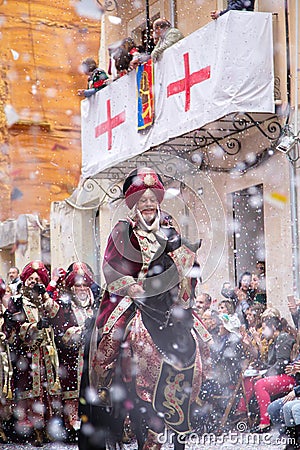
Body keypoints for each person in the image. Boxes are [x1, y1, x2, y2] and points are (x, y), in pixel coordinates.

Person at [4, 261, 62, 446]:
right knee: (30, 392)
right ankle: (32, 429)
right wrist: (35, 327)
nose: (33, 282)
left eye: (37, 279)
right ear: (25, 279)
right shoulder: (18, 301)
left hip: (46, 353)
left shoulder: (44, 299)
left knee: (46, 391)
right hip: (27, 354)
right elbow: (14, 327)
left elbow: (56, 314)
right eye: (31, 278)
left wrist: (45, 295)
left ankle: (47, 426)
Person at [47, 262, 96, 442]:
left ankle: (91, 423)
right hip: (72, 357)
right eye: (78, 285)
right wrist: (81, 332)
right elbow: (60, 328)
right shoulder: (65, 304)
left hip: (92, 357)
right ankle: (72, 426)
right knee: (72, 393)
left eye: (84, 284)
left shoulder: (95, 302)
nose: (82, 288)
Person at [235, 316, 296, 433]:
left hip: (289, 377)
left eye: (264, 328)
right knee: (250, 380)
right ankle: (242, 411)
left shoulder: (283, 337)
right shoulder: (275, 341)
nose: (262, 332)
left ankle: (265, 422)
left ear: (273, 327)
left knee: (260, 384)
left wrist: (264, 375)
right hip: (280, 376)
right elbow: (271, 364)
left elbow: (281, 364)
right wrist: (259, 366)